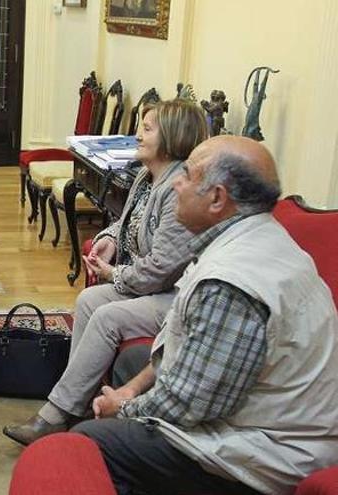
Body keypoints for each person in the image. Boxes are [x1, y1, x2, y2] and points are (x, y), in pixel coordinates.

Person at [73, 135, 338, 494]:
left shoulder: (233, 282)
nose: (177, 184)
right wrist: (131, 390)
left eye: (189, 175)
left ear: (217, 198)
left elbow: (188, 405)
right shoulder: (256, 235)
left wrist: (123, 409)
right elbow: (184, 348)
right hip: (260, 417)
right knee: (133, 363)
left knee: (85, 443)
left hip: (266, 455)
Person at [4, 99, 209, 445]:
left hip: (176, 295)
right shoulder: (147, 176)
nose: (137, 135)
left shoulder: (178, 191)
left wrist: (113, 273)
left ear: (172, 137)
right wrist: (107, 240)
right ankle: (77, 403)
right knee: (88, 300)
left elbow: (161, 269)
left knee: (106, 317)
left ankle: (55, 415)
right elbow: (124, 222)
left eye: (146, 129)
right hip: (150, 285)